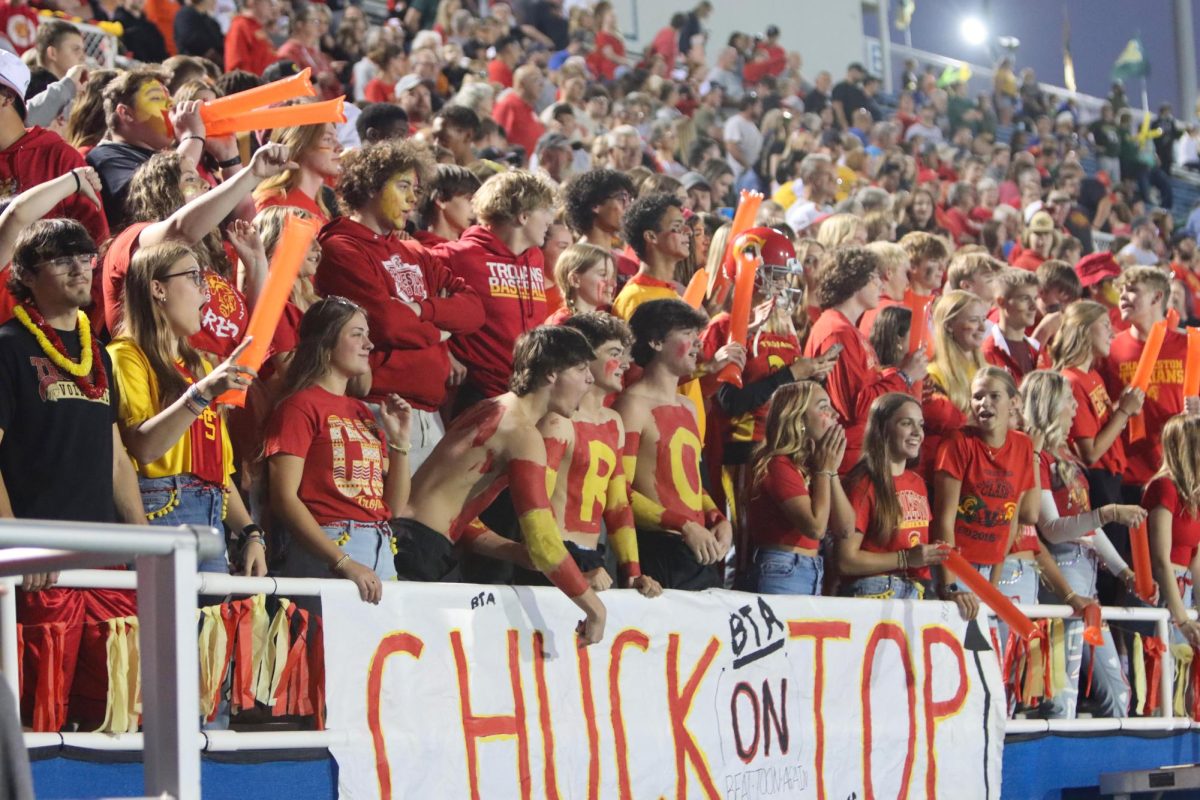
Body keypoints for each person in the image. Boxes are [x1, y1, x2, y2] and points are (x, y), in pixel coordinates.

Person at [0, 219, 144, 729]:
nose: (79, 267)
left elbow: (116, 457)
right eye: (62, 259)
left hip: (103, 558)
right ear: (26, 274)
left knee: (117, 713)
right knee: (41, 715)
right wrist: (20, 543)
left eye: (85, 257)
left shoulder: (98, 353)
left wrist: (146, 546)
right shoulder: (8, 348)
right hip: (42, 562)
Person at [394, 325, 608, 644]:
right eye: (581, 369)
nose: (590, 380)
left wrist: (517, 553)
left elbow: (451, 515)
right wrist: (594, 609)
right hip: (421, 551)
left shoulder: (489, 408)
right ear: (551, 373)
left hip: (408, 541)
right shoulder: (522, 434)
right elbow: (544, 543)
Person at [316, 140, 483, 472]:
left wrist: (423, 311)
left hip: (429, 416)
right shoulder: (341, 249)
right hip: (376, 411)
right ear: (370, 186)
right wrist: (440, 332)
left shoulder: (416, 252)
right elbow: (386, 323)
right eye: (403, 186)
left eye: (416, 190)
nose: (412, 200)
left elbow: (475, 310)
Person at [108, 241, 266, 578]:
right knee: (169, 629)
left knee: (209, 629)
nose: (205, 295)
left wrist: (251, 532)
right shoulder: (125, 355)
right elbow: (144, 447)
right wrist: (203, 393)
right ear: (157, 288)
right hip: (161, 511)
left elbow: (219, 472)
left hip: (212, 517)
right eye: (194, 278)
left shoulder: (198, 367)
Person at [265, 298, 414, 604]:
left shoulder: (361, 411)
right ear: (327, 341)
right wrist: (342, 561)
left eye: (367, 335)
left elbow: (394, 508)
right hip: (328, 547)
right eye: (357, 334)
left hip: (380, 545)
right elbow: (283, 497)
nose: (369, 344)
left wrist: (400, 443)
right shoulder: (299, 406)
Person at [1021, 370, 1144, 718]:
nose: (1077, 406)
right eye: (1069, 400)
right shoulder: (1037, 456)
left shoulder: (1068, 455)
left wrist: (1123, 571)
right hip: (1061, 571)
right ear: (1050, 404)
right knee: (1063, 688)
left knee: (1117, 692)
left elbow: (1086, 523)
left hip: (1086, 570)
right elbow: (1052, 528)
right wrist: (1108, 513)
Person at [102, 142, 293, 345]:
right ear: (163, 193)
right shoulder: (132, 239)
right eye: (190, 179)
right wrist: (251, 175)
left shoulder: (206, 262)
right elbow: (179, 231)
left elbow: (254, 336)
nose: (206, 184)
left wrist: (257, 266)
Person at [536, 312, 661, 596]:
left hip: (594, 560)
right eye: (616, 353)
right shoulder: (556, 421)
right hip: (555, 559)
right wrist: (565, 567)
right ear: (585, 358)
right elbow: (534, 506)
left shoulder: (613, 422)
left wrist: (633, 573)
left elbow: (618, 504)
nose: (626, 364)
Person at [616, 299, 732, 590]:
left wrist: (716, 516)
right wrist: (682, 524)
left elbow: (691, 483)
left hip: (696, 546)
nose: (697, 343)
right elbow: (618, 492)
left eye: (697, 335)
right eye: (686, 334)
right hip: (658, 549)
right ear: (655, 342)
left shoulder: (689, 407)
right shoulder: (632, 405)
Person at [432, 169, 555, 407]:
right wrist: (441, 351)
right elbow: (409, 296)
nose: (550, 220)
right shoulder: (458, 256)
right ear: (523, 215)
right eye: (545, 210)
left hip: (525, 392)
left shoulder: (535, 257)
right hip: (477, 397)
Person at [803, 245, 925, 471]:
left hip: (859, 451)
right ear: (853, 280)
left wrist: (896, 374)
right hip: (847, 458)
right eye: (874, 277)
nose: (881, 283)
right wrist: (904, 377)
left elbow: (865, 387)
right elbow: (855, 407)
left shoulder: (848, 329)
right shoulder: (836, 331)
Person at [932, 367, 1040, 620]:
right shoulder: (957, 443)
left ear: (1014, 402)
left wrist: (993, 583)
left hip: (991, 570)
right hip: (956, 568)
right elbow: (944, 521)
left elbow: (1011, 519)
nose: (984, 403)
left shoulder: (1024, 445)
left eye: (994, 396)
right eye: (978, 396)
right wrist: (950, 586)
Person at [1050, 300, 1145, 586]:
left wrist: (1120, 408)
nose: (1113, 333)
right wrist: (1124, 411)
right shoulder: (1070, 380)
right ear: (1083, 330)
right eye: (1105, 325)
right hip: (1097, 481)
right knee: (1107, 581)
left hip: (1112, 478)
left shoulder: (1093, 376)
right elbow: (1089, 452)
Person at [839, 393, 949, 599]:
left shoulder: (917, 483)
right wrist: (905, 559)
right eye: (907, 423)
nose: (917, 432)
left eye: (921, 425)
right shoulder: (862, 483)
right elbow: (845, 560)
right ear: (882, 430)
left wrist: (937, 553)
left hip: (915, 591)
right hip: (874, 590)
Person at [744, 381, 848, 594]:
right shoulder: (777, 464)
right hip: (781, 569)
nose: (835, 414)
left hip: (808, 568)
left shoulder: (813, 465)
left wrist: (832, 470)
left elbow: (845, 529)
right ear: (799, 419)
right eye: (823, 407)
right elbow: (816, 528)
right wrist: (823, 471)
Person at [1103, 266, 1186, 501]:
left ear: (1157, 297)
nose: (1122, 297)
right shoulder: (1109, 349)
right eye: (1121, 291)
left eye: (1132, 290)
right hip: (1126, 474)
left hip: (1178, 471)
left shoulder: (1190, 345)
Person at [1145, 414, 1200, 650]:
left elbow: (1196, 562)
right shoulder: (1164, 487)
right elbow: (1160, 560)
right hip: (1161, 593)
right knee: (1161, 679)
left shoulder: (1194, 495)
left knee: (1180, 680)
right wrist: (1182, 619)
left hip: (1183, 593)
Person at [920, 289, 988, 480]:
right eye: (974, 320)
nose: (983, 327)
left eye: (983, 319)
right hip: (950, 472)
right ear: (949, 325)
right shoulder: (932, 375)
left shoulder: (987, 369)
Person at [252, 122, 341, 225]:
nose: (340, 147)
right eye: (327, 140)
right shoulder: (272, 204)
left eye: (336, 138)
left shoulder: (324, 208)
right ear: (300, 145)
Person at [561, 168, 637, 279]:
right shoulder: (574, 261)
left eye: (630, 199)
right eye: (621, 198)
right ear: (595, 205)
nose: (628, 206)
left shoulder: (629, 267)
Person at [983, 268, 1049, 381]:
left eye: (1035, 298)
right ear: (1001, 302)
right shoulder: (988, 353)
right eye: (1025, 299)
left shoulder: (1037, 349)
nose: (1034, 306)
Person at [548, 243, 615, 324]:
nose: (613, 284)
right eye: (603, 274)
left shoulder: (602, 321)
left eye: (611, 276)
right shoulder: (564, 323)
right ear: (575, 280)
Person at [493, 64, 546, 164]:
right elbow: (496, 142)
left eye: (541, 79)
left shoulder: (530, 107)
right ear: (521, 84)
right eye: (535, 80)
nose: (541, 84)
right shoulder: (508, 105)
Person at [224, 0, 279, 75]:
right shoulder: (239, 26)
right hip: (255, 85)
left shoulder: (256, 27)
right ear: (252, 2)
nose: (272, 6)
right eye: (268, 1)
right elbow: (236, 67)